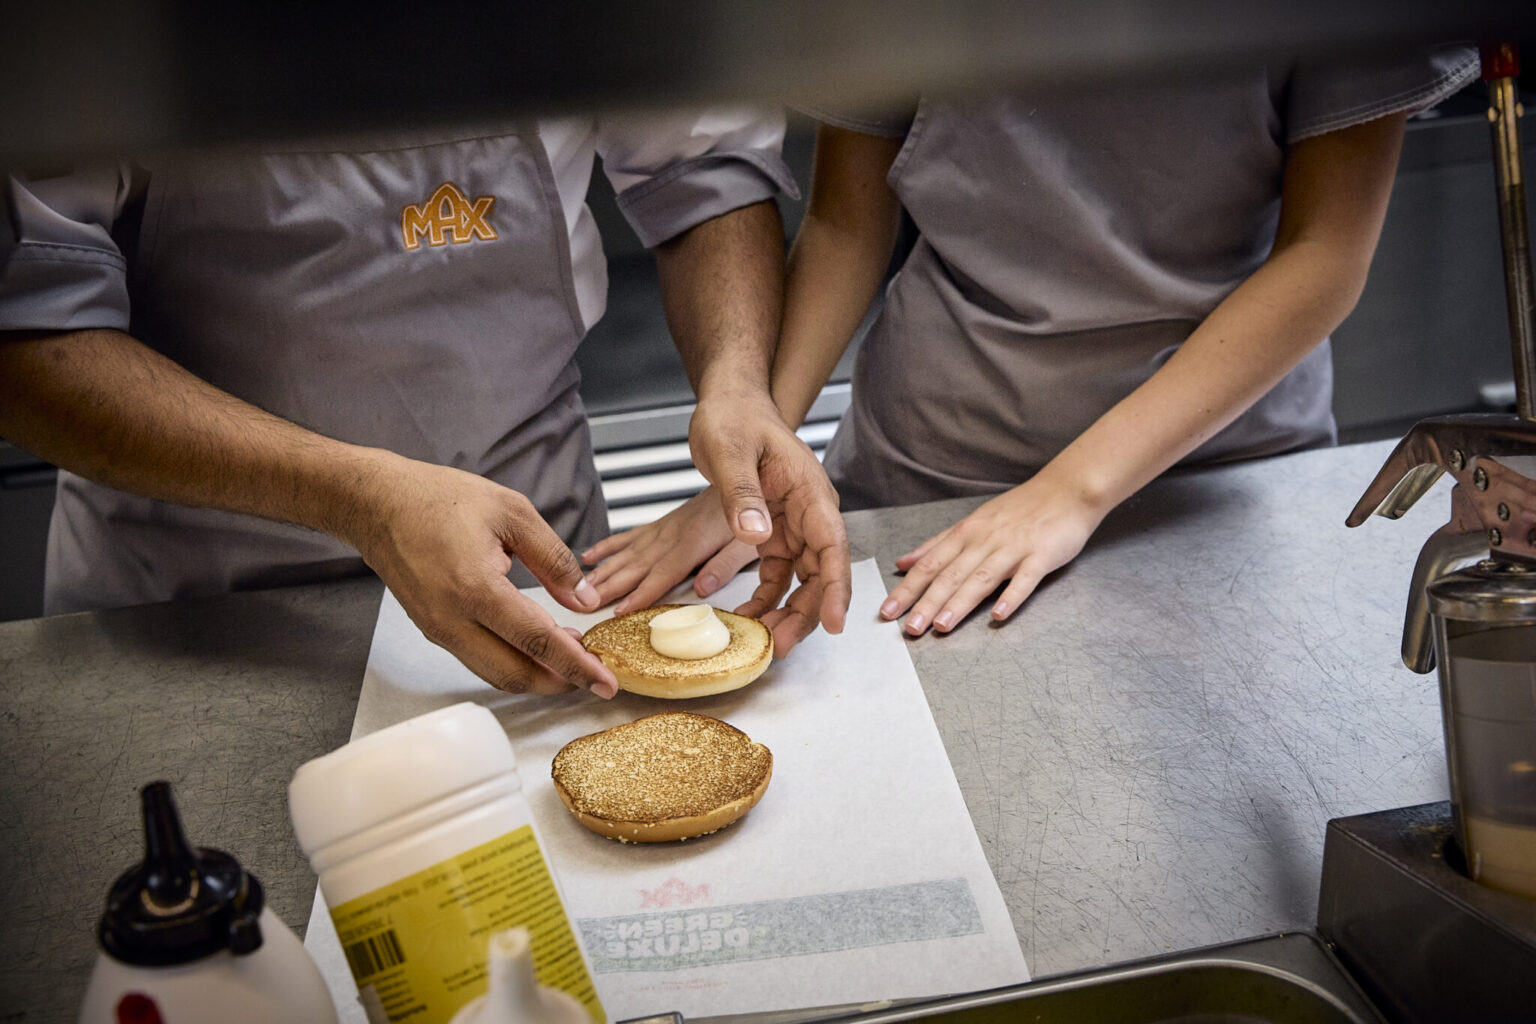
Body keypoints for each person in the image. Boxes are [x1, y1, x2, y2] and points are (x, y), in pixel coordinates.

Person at [584, 46, 1478, 635]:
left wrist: (1071, 494)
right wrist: (761, 451)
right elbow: (849, 222)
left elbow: (1323, 259)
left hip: (1207, 484)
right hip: (927, 477)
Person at [0, 110, 849, 697]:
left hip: (547, 578)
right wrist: (357, 497)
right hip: (204, 613)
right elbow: (28, 344)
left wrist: (738, 383)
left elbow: (698, 169)